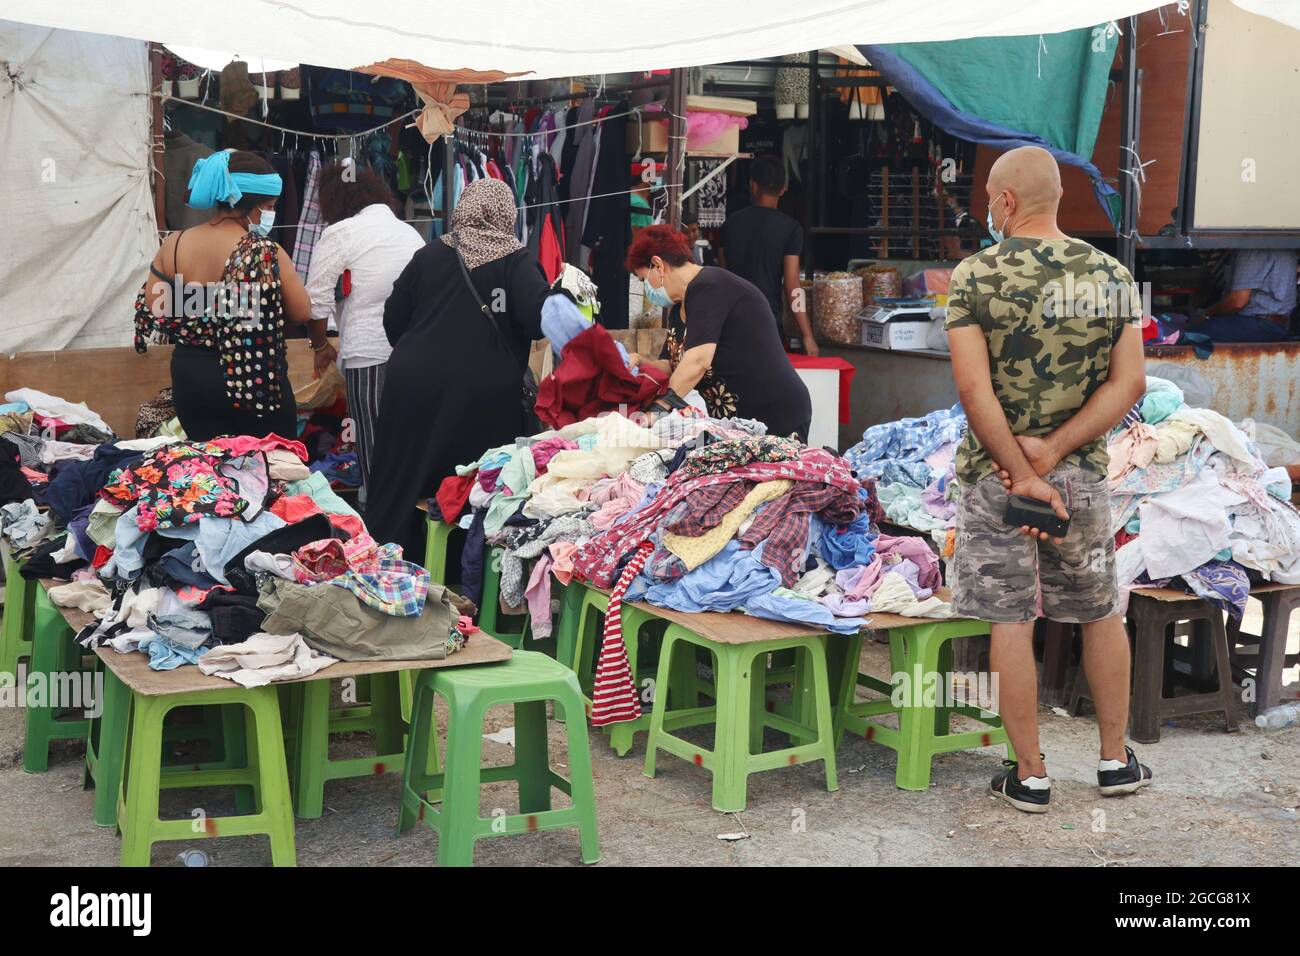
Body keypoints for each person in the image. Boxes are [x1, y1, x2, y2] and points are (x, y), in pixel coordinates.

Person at [944, 146, 1153, 814]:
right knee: (1098, 613)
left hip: (995, 481)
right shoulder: (1111, 273)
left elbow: (974, 390)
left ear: (1004, 201)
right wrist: (1055, 450)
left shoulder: (975, 274)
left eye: (989, 198)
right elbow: (1131, 384)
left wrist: (1017, 467)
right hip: (1080, 479)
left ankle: (1029, 775)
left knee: (1010, 617)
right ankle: (1115, 762)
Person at [365, 179, 578, 555]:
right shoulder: (516, 259)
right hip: (483, 391)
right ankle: (463, 562)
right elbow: (535, 318)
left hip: (411, 383)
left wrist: (425, 352)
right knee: (473, 480)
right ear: (505, 214)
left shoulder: (429, 254)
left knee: (405, 473)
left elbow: (393, 318)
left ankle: (388, 555)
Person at [136, 149, 315, 441]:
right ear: (249, 206)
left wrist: (203, 302)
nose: (271, 214)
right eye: (269, 206)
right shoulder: (267, 253)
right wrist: (246, 303)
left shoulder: (175, 244)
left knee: (211, 472)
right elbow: (301, 312)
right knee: (266, 470)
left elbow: (156, 306)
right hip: (253, 382)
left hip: (193, 382)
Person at [625, 225, 812, 440]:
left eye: (643, 280)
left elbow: (697, 362)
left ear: (658, 265)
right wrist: (641, 361)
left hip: (773, 413)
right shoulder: (680, 308)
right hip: (735, 423)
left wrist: (658, 411)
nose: (646, 288)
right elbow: (672, 365)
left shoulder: (710, 286)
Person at [305, 161, 425, 490]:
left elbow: (315, 303)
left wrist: (319, 346)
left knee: (374, 452)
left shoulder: (340, 233)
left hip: (368, 355)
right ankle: (413, 528)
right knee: (410, 447)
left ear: (334, 199)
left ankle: (382, 529)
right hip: (416, 355)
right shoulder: (408, 232)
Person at [719, 155, 817, 355]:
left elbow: (722, 276)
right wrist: (807, 335)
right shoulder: (791, 229)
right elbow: (792, 286)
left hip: (730, 324)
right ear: (783, 189)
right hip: (767, 323)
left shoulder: (730, 225)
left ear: (752, 185)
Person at [1189, 248, 1297, 342]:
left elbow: (1237, 302)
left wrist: (1205, 315)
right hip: (1280, 324)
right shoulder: (1284, 245)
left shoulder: (1251, 250)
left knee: (1190, 335)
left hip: (1259, 324)